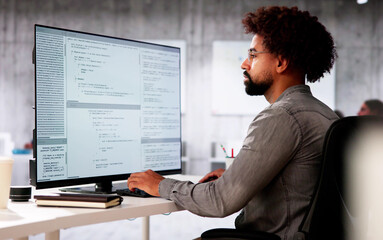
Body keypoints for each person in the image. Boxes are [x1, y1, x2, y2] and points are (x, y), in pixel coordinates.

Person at [127, 6, 338, 239]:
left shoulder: (280, 117)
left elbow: (220, 202)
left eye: (253, 55)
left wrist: (159, 184)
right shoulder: (326, 115)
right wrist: (235, 175)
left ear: (281, 63)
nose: (244, 64)